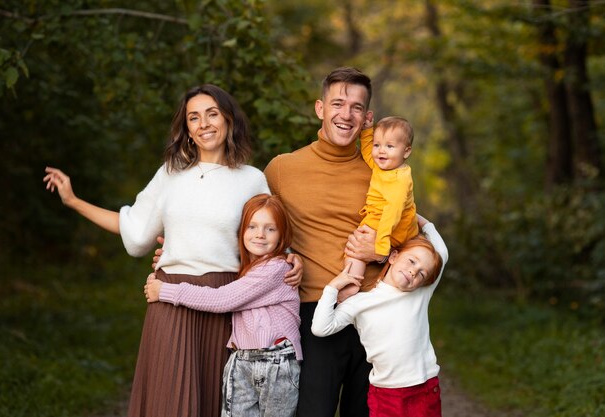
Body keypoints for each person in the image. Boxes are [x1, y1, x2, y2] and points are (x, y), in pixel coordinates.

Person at [43, 84, 302, 417]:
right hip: (168, 298)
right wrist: (74, 201)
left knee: (215, 402)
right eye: (194, 118)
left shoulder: (251, 179)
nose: (204, 123)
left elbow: (269, 236)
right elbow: (135, 232)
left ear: (228, 120)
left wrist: (293, 258)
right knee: (169, 401)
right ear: (188, 130)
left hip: (225, 300)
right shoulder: (170, 175)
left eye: (212, 114)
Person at [263, 67, 385, 417]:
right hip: (316, 313)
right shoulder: (282, 169)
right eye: (338, 104)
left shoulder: (383, 171)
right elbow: (251, 230)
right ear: (320, 108)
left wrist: (383, 249)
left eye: (357, 107)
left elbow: (409, 237)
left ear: (368, 117)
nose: (346, 115)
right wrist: (180, 246)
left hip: (375, 314)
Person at [143, 193, 301, 417]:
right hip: (241, 360)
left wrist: (165, 291)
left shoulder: (276, 269)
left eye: (270, 229)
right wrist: (173, 257)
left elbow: (222, 299)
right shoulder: (247, 268)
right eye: (252, 226)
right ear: (241, 231)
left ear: (281, 235)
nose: (260, 235)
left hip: (274, 362)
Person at [312, 216, 448, 417]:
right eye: (411, 261)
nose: (413, 271)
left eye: (421, 273)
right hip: (385, 393)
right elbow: (320, 328)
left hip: (423, 388)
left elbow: (442, 252)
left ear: (424, 282)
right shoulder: (360, 302)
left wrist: (423, 222)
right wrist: (333, 287)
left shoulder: (419, 293)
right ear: (393, 256)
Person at [344, 116, 419, 279]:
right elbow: (368, 154)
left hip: (392, 226)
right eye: (377, 145)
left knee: (355, 248)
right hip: (382, 219)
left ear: (406, 151)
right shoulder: (383, 166)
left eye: (390, 146)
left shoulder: (400, 180)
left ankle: (350, 282)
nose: (381, 151)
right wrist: (367, 131)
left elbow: (393, 213)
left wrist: (381, 243)